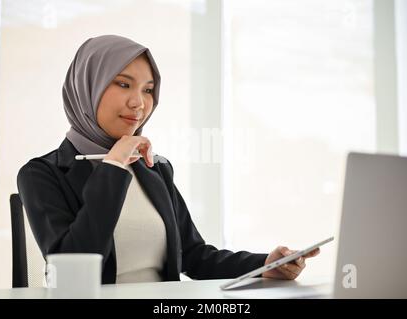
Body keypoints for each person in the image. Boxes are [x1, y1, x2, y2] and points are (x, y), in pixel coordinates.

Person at [17, 35, 319, 284]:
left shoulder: (154, 168)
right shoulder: (42, 174)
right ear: (87, 86)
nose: (139, 103)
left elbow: (194, 255)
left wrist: (264, 264)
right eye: (123, 84)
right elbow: (73, 272)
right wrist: (113, 167)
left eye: (148, 90)